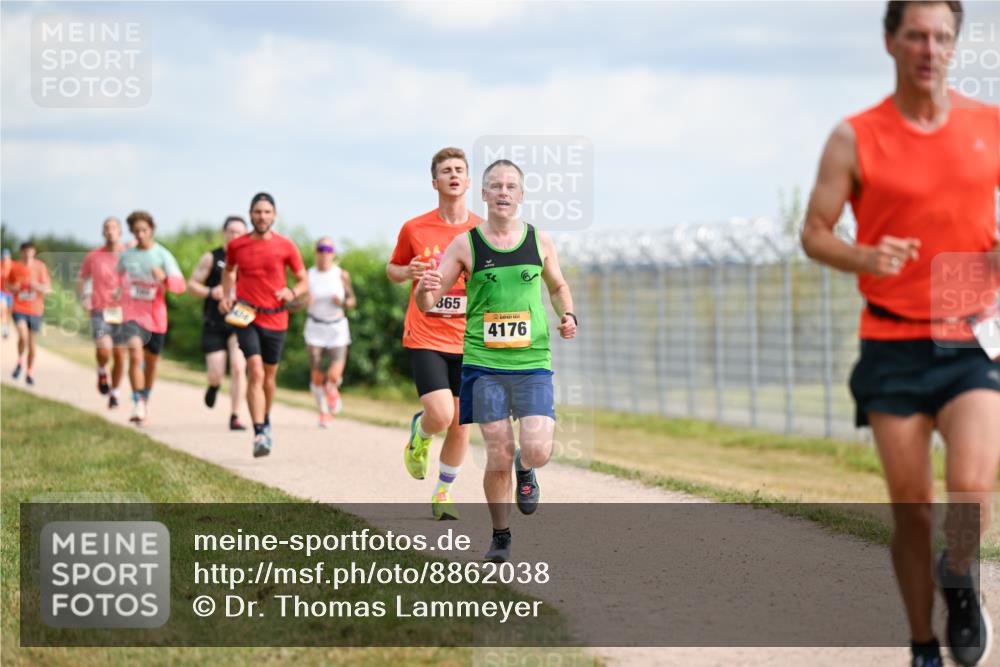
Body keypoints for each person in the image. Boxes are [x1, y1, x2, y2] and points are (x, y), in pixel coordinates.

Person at [801, 3, 1000, 666]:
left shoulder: (988, 125)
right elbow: (815, 232)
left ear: (954, 46)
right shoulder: (856, 137)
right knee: (912, 510)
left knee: (971, 487)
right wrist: (867, 255)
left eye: (942, 36)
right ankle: (922, 643)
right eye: (915, 34)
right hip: (892, 342)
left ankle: (962, 571)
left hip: (972, 334)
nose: (929, 47)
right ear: (890, 41)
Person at [415, 159, 577, 561]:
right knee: (497, 450)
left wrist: (567, 314)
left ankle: (528, 466)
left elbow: (557, 286)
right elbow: (429, 301)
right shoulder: (465, 244)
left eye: (511, 186)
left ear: (520, 196)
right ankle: (500, 535)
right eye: (495, 186)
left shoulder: (539, 240)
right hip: (484, 364)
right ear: (483, 194)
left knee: (537, 449)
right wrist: (424, 288)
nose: (503, 192)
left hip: (532, 361)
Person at [387, 147, 484, 520]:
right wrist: (407, 272)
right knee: (441, 415)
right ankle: (422, 432)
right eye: (446, 170)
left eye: (460, 169)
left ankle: (443, 492)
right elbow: (392, 270)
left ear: (468, 180)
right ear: (435, 182)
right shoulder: (415, 228)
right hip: (426, 333)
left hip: (468, 337)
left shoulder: (482, 230)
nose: (454, 175)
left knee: (462, 422)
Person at [219, 192, 308, 458]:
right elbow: (228, 271)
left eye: (267, 212)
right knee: (255, 371)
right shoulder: (238, 246)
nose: (262, 216)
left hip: (277, 317)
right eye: (258, 212)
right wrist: (226, 295)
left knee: (269, 377)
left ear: (274, 215)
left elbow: (303, 280)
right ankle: (259, 432)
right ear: (250, 214)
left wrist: (292, 293)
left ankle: (265, 420)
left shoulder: (286, 246)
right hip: (246, 315)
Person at [117, 211, 186, 425]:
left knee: (151, 362)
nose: (140, 234)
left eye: (144, 230)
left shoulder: (162, 255)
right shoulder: (126, 256)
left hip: (156, 317)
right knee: (135, 355)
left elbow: (180, 287)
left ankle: (145, 396)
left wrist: (164, 278)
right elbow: (116, 281)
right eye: (136, 231)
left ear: (151, 230)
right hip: (132, 315)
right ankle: (137, 401)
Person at [187, 216, 249, 431]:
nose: (235, 235)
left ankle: (235, 416)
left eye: (239, 232)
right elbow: (192, 285)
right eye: (231, 231)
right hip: (214, 322)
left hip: (239, 321)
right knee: (216, 373)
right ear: (224, 233)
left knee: (239, 368)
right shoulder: (211, 258)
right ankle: (214, 386)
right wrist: (211, 292)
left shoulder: (249, 259)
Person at [305, 237, 356, 428]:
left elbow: (352, 301)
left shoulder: (341, 275)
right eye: (321, 248)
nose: (325, 252)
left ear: (333, 253)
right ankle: (324, 413)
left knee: (334, 375)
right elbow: (295, 302)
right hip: (315, 328)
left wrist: (341, 302)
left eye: (328, 249)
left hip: (337, 327)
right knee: (317, 375)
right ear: (315, 251)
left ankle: (333, 388)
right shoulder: (308, 275)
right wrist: (304, 301)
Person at [77, 217, 127, 409]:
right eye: (106, 228)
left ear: (120, 232)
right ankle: (101, 370)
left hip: (122, 311)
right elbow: (82, 278)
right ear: (103, 232)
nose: (110, 231)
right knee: (104, 350)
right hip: (100, 309)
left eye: (114, 228)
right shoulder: (94, 256)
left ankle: (114, 393)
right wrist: (84, 297)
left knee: (120, 355)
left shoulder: (128, 254)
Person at [9, 241, 52, 384]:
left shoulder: (40, 267)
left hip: (35, 310)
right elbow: (8, 285)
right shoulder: (15, 266)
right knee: (23, 335)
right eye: (25, 251)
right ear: (21, 252)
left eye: (30, 251)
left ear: (34, 252)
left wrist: (36, 286)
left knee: (32, 344)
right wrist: (15, 287)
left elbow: (48, 289)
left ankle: (29, 371)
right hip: (19, 307)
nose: (28, 253)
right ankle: (20, 361)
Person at [1, 248, 12, 339]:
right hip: (2, 292)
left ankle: (7, 327)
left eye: (6, 257)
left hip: (11, 293)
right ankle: (4, 328)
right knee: (3, 310)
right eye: (4, 258)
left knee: (9, 312)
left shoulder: (13, 266)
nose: (5, 259)